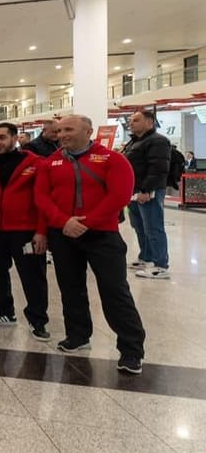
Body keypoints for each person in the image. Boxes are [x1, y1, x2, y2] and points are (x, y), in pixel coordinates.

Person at [35, 114, 146, 374]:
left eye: (69, 129)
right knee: (71, 289)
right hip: (63, 235)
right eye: (60, 130)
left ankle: (131, 350)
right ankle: (78, 335)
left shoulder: (113, 160)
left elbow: (119, 196)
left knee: (114, 292)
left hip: (102, 236)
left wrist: (86, 222)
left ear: (89, 131)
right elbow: (41, 197)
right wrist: (63, 221)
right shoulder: (50, 163)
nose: (63, 135)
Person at [0, 123, 49, 339]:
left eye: (2, 138)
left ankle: (38, 320)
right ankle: (4, 311)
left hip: (25, 231)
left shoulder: (36, 164)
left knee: (32, 276)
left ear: (15, 138)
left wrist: (41, 231)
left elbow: (43, 200)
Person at [122, 109, 171, 280]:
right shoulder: (135, 142)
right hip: (133, 191)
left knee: (153, 227)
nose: (131, 123)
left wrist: (146, 190)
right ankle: (146, 257)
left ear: (149, 122)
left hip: (147, 191)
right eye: (131, 120)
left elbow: (158, 169)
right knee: (139, 226)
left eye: (136, 120)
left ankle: (160, 265)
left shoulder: (158, 141)